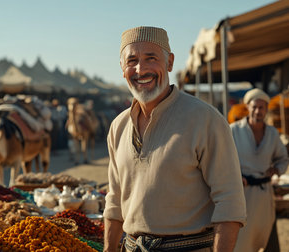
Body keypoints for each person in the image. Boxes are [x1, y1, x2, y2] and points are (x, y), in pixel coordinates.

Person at [103, 26, 247, 252]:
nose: (141, 69)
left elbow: (230, 203)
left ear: (169, 62)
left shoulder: (205, 119)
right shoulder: (118, 127)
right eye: (132, 60)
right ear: (122, 68)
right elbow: (114, 201)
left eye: (151, 58)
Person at [230, 88, 288, 252]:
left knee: (264, 234)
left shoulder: (272, 134)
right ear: (247, 107)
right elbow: (222, 159)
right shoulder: (234, 130)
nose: (258, 111)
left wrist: (277, 169)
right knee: (241, 241)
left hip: (264, 196)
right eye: (254, 107)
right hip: (241, 194)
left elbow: (283, 158)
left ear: (266, 109)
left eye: (261, 107)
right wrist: (234, 177)